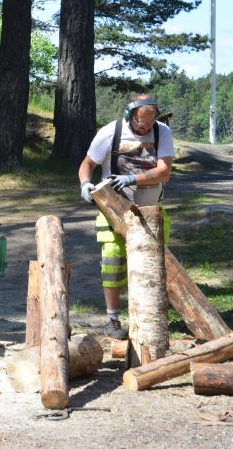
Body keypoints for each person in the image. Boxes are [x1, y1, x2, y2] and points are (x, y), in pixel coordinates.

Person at [78, 93, 175, 339]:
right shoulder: (110, 132)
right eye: (141, 122)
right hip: (115, 208)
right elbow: (87, 163)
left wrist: (133, 178)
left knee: (152, 266)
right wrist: (86, 184)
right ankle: (112, 319)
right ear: (130, 115)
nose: (145, 127)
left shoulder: (162, 132)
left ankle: (148, 317)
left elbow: (164, 171)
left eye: (149, 123)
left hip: (150, 208)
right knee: (112, 260)